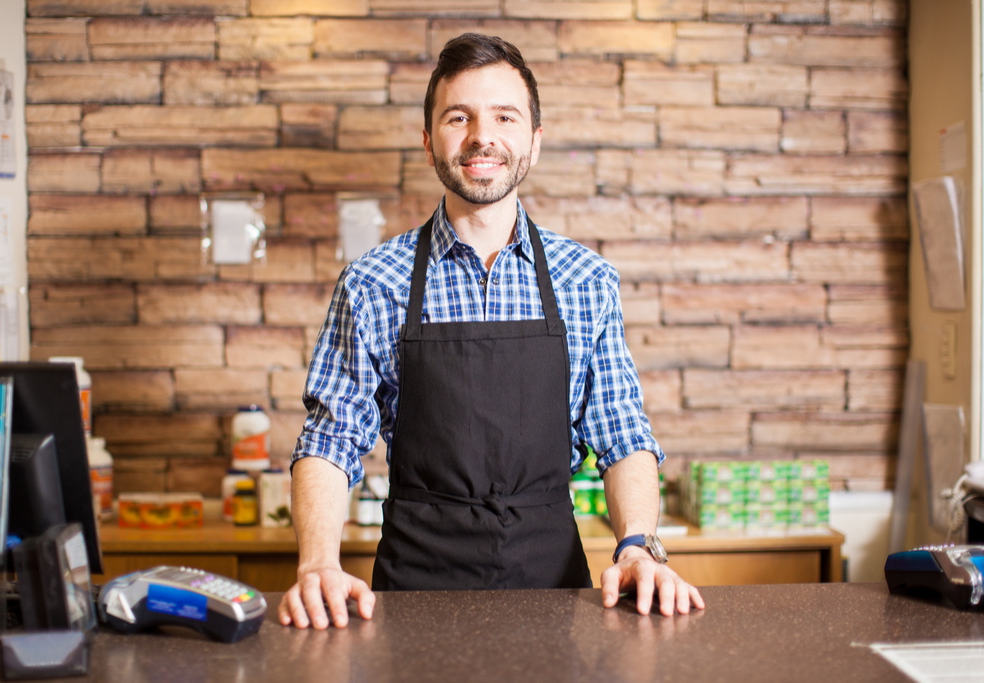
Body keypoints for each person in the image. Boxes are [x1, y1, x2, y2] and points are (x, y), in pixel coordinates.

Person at [279, 33, 704, 630]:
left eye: (505, 116)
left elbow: (622, 433)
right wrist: (317, 563)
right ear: (430, 141)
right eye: (460, 117)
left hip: (555, 594)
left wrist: (638, 545)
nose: (483, 136)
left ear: (533, 140)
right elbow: (330, 439)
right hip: (413, 599)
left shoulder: (586, 280)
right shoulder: (372, 283)